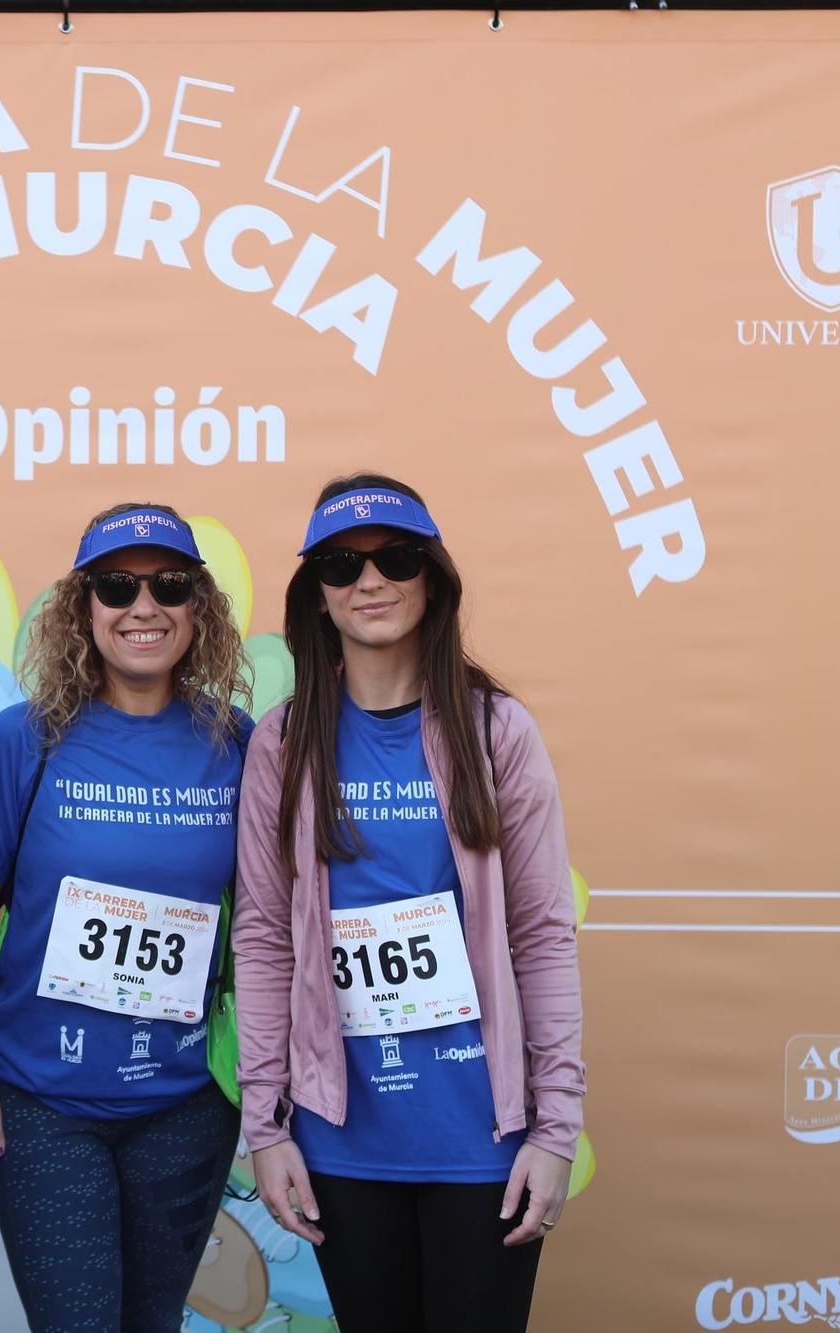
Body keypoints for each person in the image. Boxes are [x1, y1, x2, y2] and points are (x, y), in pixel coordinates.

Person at [232, 474, 585, 1333]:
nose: (371, 581)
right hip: (344, 1137)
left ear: (434, 579)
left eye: (396, 558)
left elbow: (541, 934)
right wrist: (266, 1126)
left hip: (483, 1137)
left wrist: (556, 1128)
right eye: (343, 564)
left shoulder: (497, 729)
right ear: (316, 594)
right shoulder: (282, 741)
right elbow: (266, 935)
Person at [0, 502, 251, 1333]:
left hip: (184, 1104)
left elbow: (267, 918)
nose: (143, 606)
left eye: (169, 585)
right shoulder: (23, 741)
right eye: (117, 585)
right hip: (42, 1103)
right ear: (82, 606)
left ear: (200, 606)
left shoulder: (241, 744)